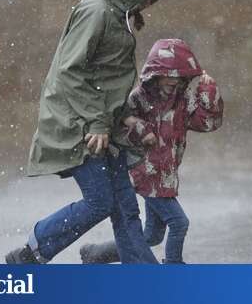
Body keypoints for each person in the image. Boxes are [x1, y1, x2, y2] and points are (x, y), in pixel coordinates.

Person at [5, 0, 172, 264]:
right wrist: (97, 121)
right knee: (101, 202)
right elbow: (71, 72)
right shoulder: (97, 11)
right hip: (79, 125)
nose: (152, 1)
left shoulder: (119, 11)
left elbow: (106, 74)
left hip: (102, 124)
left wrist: (123, 115)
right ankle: (31, 253)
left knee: (125, 207)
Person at [79, 39, 224, 264]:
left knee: (152, 236)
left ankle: (96, 254)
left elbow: (206, 124)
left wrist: (208, 93)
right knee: (179, 223)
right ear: (156, 74)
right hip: (144, 172)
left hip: (166, 176)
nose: (174, 83)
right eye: (169, 76)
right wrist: (142, 129)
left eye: (179, 79)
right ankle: (173, 266)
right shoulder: (139, 97)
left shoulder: (182, 101)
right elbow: (118, 120)